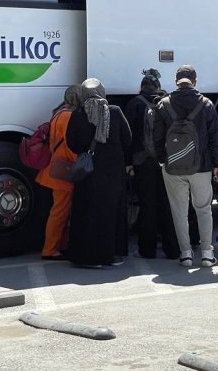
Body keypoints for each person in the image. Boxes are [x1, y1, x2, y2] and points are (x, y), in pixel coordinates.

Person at [152, 65, 218, 268]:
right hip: (201, 166)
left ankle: (185, 254)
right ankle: (207, 254)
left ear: (176, 80)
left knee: (179, 211)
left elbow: (156, 137)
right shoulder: (207, 104)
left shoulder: (163, 104)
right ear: (195, 80)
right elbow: (215, 137)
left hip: (173, 167)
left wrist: (161, 160)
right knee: (203, 209)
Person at [65, 78, 133, 268]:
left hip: (88, 174)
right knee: (110, 214)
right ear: (102, 91)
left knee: (86, 213)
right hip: (112, 173)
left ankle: (85, 257)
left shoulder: (78, 114)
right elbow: (127, 140)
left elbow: (71, 142)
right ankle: (110, 256)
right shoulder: (115, 112)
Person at [124, 70, 179, 260]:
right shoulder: (168, 104)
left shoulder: (134, 104)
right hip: (167, 161)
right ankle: (173, 249)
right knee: (168, 205)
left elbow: (129, 137)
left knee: (147, 205)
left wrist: (129, 162)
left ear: (142, 87)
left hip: (143, 161)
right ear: (157, 87)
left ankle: (147, 251)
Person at [36, 84, 82, 260]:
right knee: (60, 212)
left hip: (53, 167)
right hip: (64, 170)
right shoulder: (70, 116)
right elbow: (71, 145)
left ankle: (58, 245)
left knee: (58, 211)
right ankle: (50, 249)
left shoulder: (58, 113)